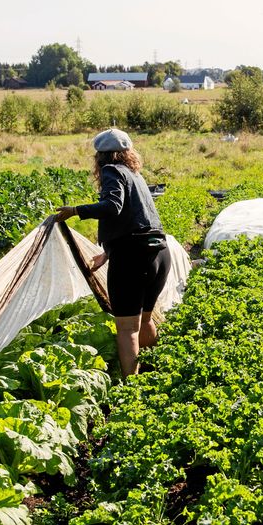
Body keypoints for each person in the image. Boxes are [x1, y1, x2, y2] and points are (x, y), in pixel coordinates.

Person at [55, 128, 171, 377]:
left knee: (128, 328)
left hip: (134, 259)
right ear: (128, 153)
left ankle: (132, 388)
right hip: (159, 254)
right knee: (146, 320)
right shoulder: (135, 175)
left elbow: (112, 207)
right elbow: (138, 221)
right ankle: (156, 374)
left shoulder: (111, 171)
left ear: (101, 156)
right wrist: (108, 253)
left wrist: (75, 210)